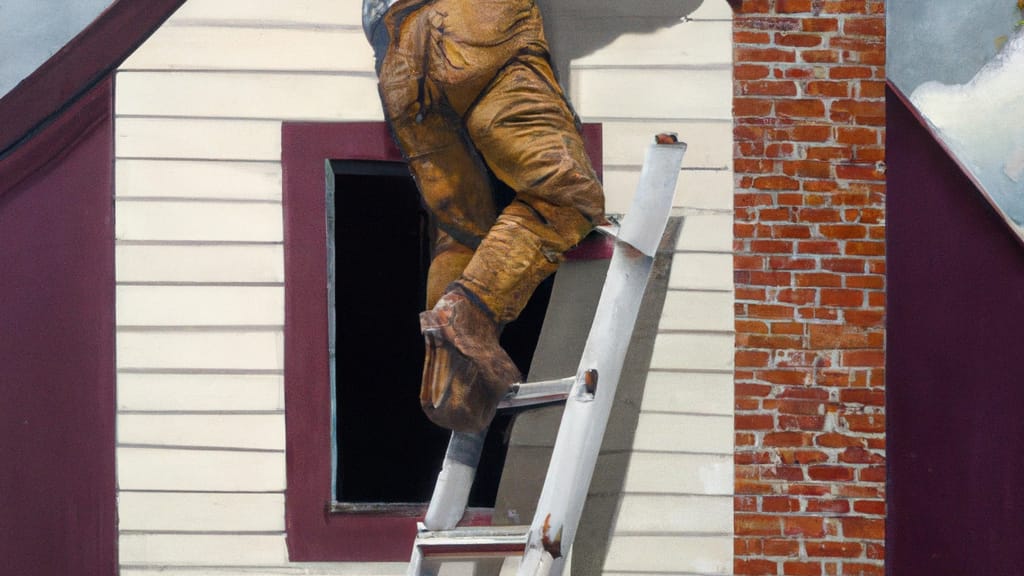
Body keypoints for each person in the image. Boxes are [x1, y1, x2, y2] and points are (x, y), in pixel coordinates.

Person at [363, 0, 606, 433]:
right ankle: (471, 311)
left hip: (398, 56)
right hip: (475, 24)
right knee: (567, 195)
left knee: (462, 236)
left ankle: (456, 394)